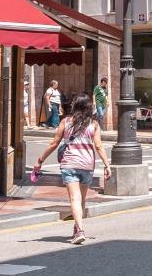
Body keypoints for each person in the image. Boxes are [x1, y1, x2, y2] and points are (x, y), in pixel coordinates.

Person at [30, 96, 108, 244]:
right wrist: (107, 165)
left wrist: (40, 161)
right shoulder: (94, 124)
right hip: (87, 165)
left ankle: (79, 230)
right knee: (82, 199)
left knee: (74, 198)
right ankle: (77, 227)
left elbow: (54, 143)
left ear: (75, 106)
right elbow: (98, 146)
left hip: (70, 164)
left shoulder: (66, 122)